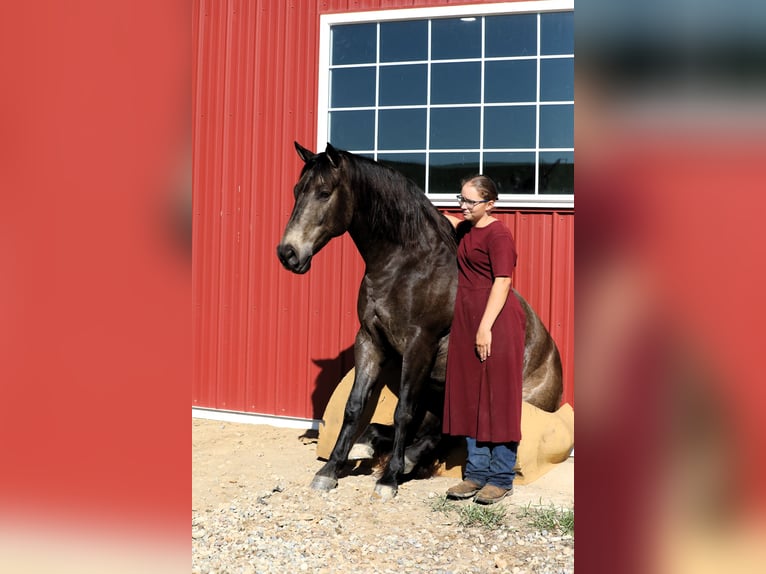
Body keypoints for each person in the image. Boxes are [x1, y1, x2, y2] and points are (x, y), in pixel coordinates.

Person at [443, 175, 526, 505]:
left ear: (490, 204)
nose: (462, 205)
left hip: (495, 322)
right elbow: (443, 218)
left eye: (469, 201)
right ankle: (475, 473)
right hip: (466, 319)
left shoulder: (499, 234)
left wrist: (484, 327)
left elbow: (503, 282)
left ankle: (501, 477)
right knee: (470, 397)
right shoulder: (466, 228)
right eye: (460, 198)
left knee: (499, 399)